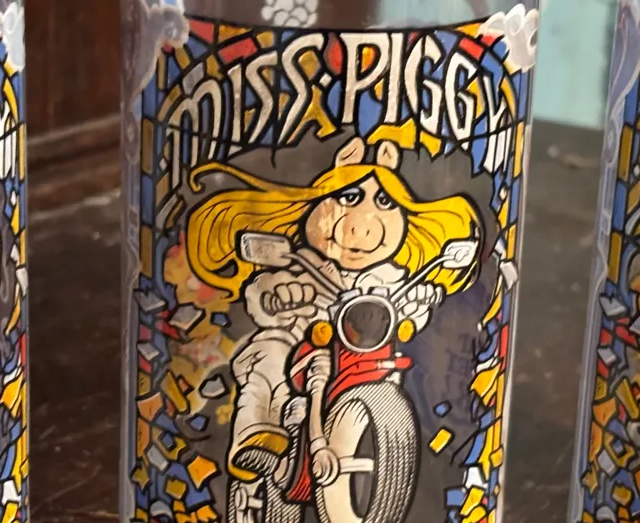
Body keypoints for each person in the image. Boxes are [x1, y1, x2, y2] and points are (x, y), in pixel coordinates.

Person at [185, 135, 483, 487]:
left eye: (385, 202)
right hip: (302, 343)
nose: (362, 226)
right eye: (348, 198)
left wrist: (420, 299)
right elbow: (263, 290)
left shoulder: (390, 276)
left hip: (362, 349)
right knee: (269, 353)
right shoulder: (303, 262)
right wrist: (280, 295)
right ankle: (258, 430)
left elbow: (407, 305)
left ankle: (384, 460)